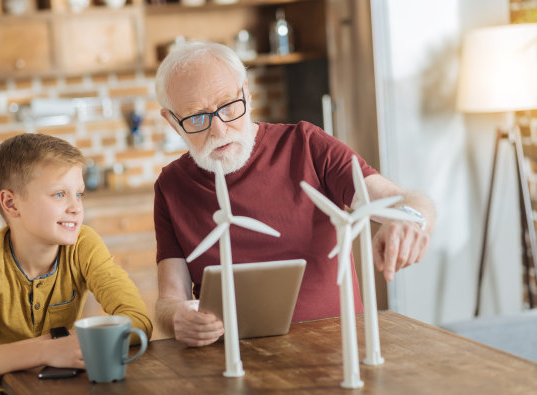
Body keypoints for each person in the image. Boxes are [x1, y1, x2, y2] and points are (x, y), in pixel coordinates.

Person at [153, 41, 435, 347]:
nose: (219, 130)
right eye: (196, 117)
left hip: (337, 350)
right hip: (230, 357)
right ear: (172, 121)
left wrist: (411, 221)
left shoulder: (307, 145)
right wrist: (179, 318)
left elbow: (404, 200)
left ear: (246, 93)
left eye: (228, 106)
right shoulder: (171, 186)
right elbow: (170, 299)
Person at [0, 134, 152, 395]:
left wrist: (64, 348)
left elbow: (139, 321)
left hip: (47, 392)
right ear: (11, 204)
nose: (76, 207)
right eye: (60, 194)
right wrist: (45, 350)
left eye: (78, 194)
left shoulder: (84, 244)